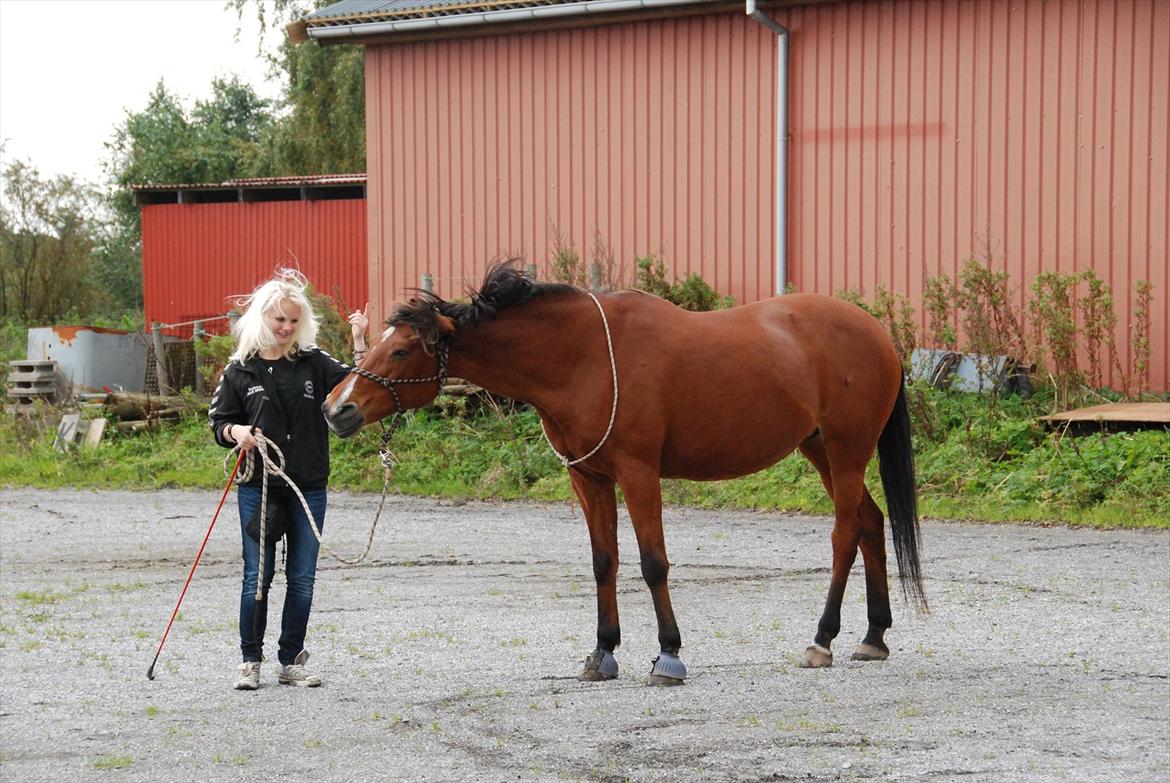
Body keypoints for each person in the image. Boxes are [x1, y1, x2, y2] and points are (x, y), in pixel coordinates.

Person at [208, 268, 369, 690]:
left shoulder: (313, 361)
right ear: (263, 318)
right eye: (280, 319)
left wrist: (358, 338)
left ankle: (290, 660)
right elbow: (218, 422)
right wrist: (237, 433)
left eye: (294, 321)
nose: (286, 327)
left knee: (302, 578)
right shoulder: (239, 370)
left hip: (309, 484)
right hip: (258, 485)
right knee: (256, 578)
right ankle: (249, 661)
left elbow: (362, 382)